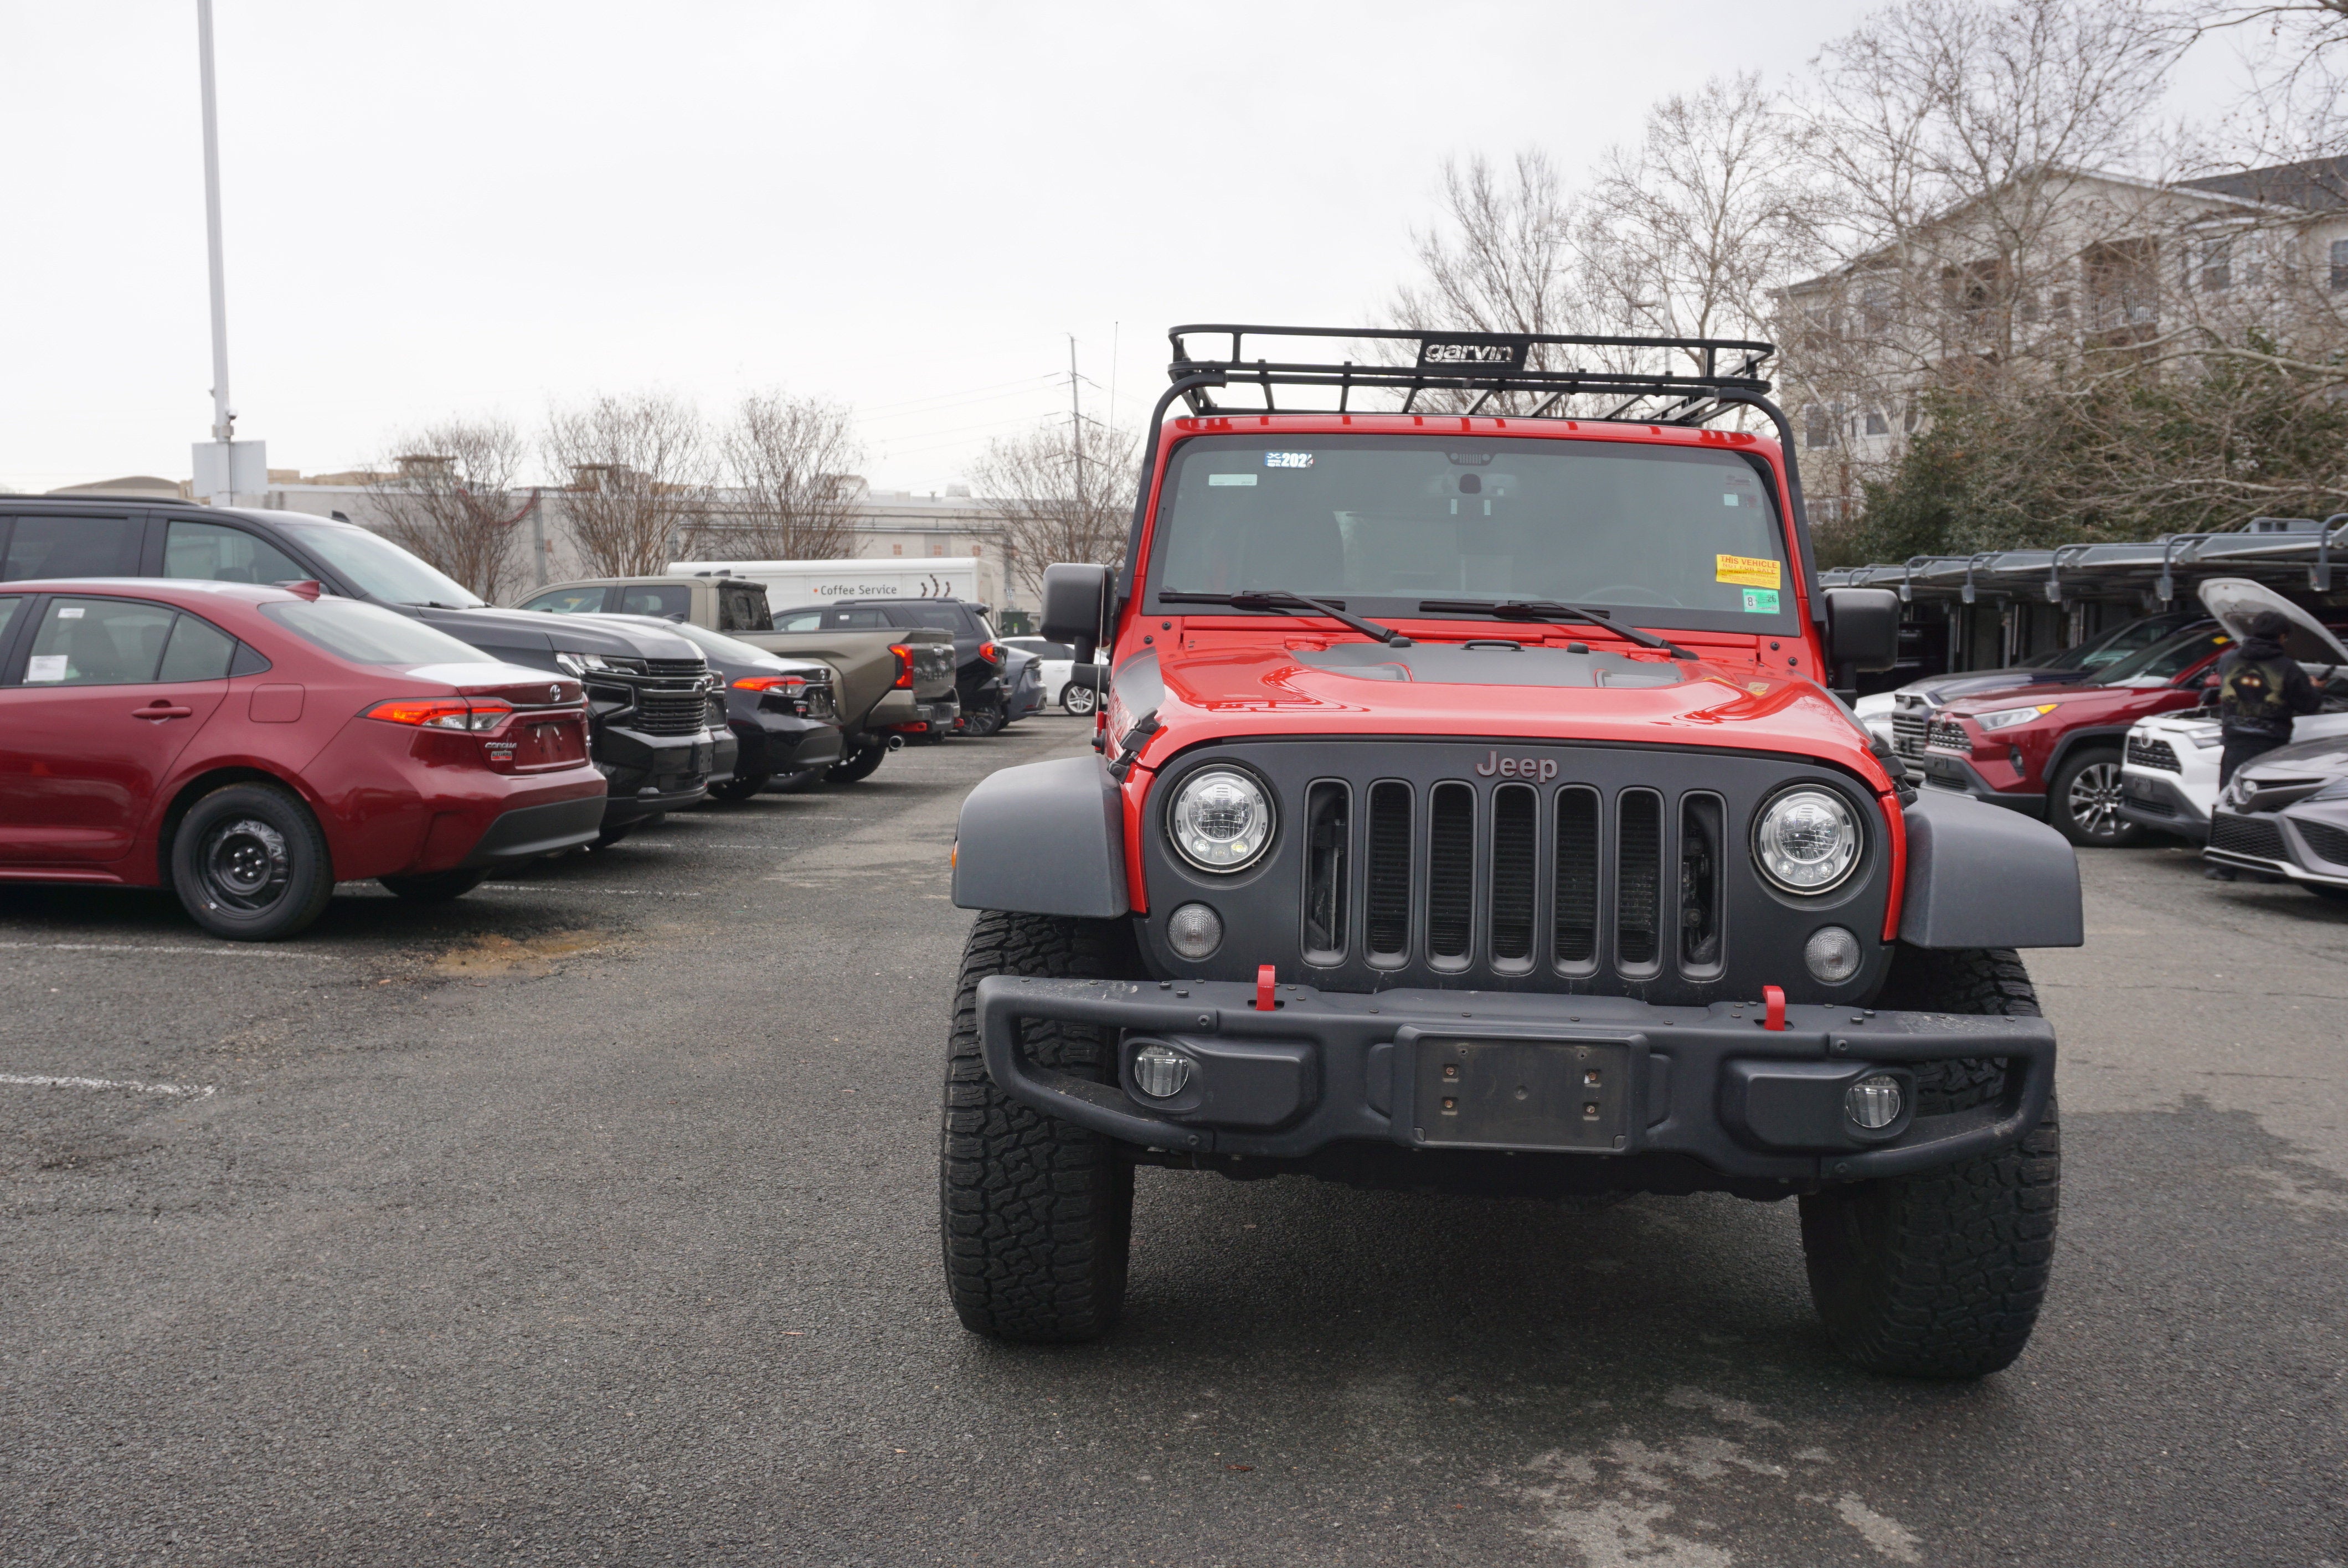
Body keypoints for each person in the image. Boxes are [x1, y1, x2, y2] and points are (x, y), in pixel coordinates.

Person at [2204, 607, 2324, 881]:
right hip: (2271, 746)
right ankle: (2265, 870)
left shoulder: (2228, 660)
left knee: (2228, 799)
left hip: (2235, 740)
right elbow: (2309, 705)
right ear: (2282, 637)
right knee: (2267, 804)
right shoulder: (2288, 668)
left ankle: (2222, 866)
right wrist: (2316, 687)